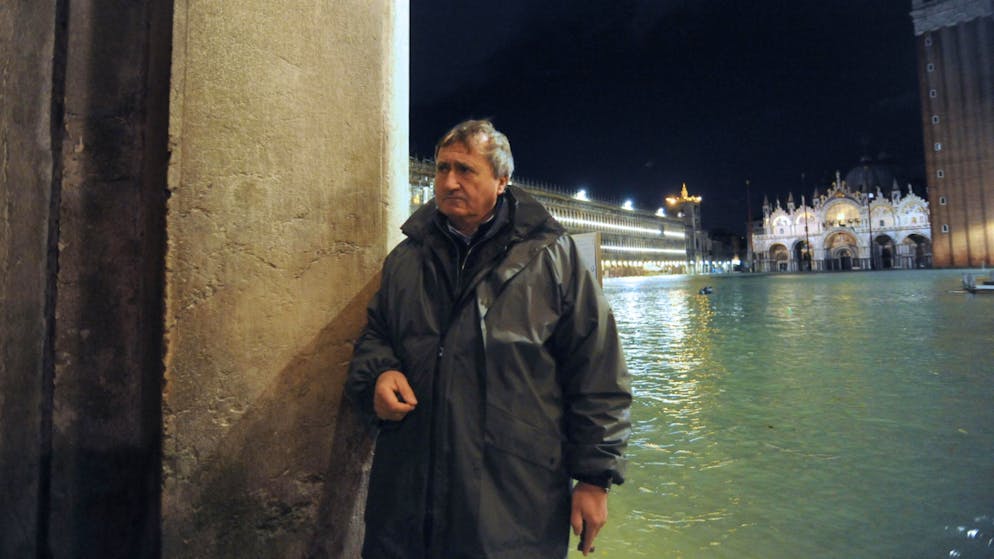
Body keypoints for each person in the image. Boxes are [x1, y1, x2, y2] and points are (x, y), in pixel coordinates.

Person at [346, 119, 631, 558]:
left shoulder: (554, 260)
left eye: (465, 170)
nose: (449, 182)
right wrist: (379, 373)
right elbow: (376, 333)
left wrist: (594, 478)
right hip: (408, 502)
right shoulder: (406, 259)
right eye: (442, 169)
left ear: (502, 181)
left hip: (511, 504)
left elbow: (597, 371)